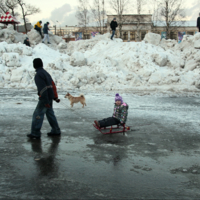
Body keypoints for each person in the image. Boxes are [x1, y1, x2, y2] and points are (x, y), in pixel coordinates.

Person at [27, 58, 61, 139]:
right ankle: (56, 130)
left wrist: (45, 101)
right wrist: (55, 97)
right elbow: (53, 85)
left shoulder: (39, 74)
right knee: (50, 114)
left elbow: (42, 89)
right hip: (49, 97)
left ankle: (35, 133)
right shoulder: (46, 73)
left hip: (45, 98)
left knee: (37, 114)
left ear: (34, 65)